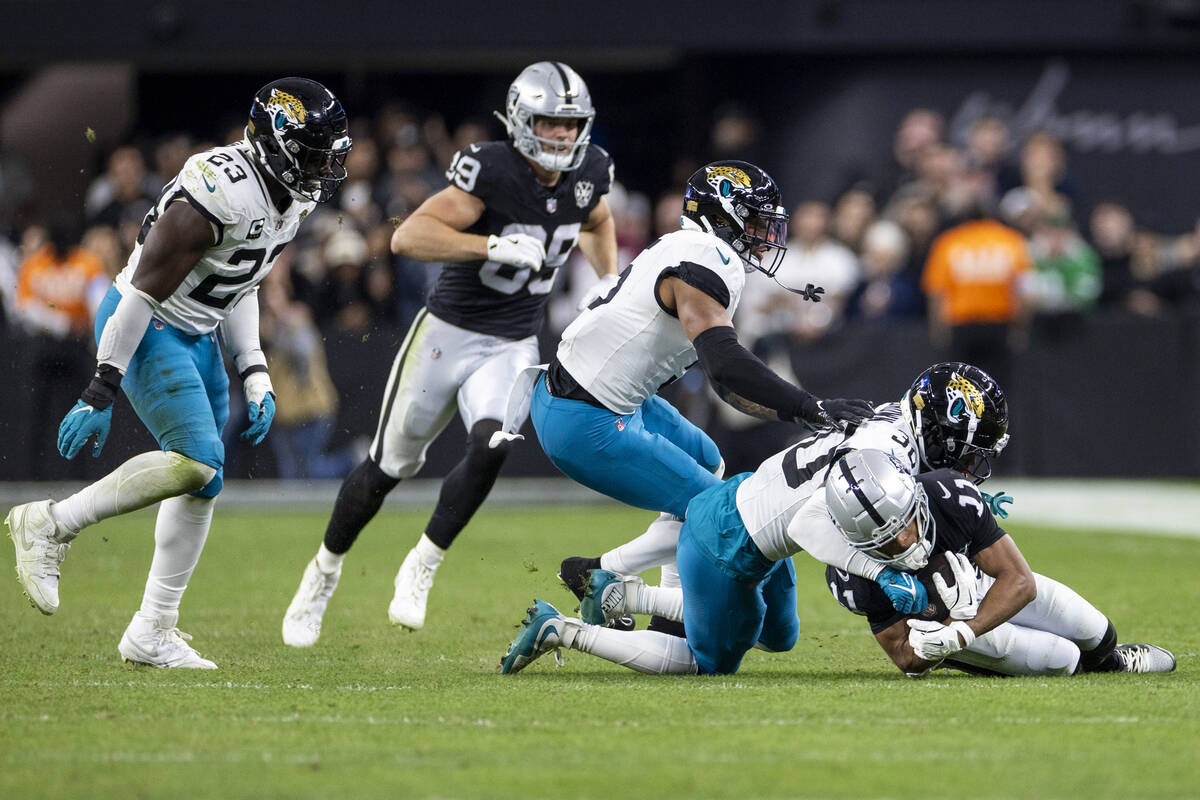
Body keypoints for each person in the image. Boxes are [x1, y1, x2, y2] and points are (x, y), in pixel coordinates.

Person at [5, 78, 352, 668]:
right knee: (196, 460)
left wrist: (255, 368)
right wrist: (102, 384)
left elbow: (243, 279)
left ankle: (152, 631)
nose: (322, 170)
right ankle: (49, 524)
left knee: (204, 479)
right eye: (313, 154)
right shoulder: (218, 192)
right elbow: (141, 291)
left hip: (197, 331)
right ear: (276, 144)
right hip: (147, 322)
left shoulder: (290, 197)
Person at [281, 61, 620, 646]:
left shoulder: (592, 170)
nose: (562, 136)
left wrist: (610, 277)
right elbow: (406, 237)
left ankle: (424, 563)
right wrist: (488, 243)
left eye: (570, 124)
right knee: (387, 468)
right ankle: (324, 571)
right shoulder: (492, 169)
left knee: (492, 446)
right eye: (548, 122)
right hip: (448, 334)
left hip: (512, 341)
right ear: (520, 121)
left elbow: (596, 218)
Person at [526, 160, 875, 634]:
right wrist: (807, 407)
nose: (762, 233)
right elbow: (726, 369)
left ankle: (666, 600)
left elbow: (726, 379)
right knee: (718, 512)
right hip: (585, 417)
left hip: (597, 396)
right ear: (722, 215)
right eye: (752, 220)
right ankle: (599, 571)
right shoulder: (705, 260)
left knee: (709, 462)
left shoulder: (688, 246)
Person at [498, 363, 1011, 675]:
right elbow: (810, 521)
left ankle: (623, 595)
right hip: (730, 542)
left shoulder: (892, 421)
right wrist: (881, 573)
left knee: (778, 635)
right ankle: (561, 630)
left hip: (751, 507)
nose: (972, 464)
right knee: (703, 664)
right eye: (973, 446)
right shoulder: (886, 453)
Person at [822, 449, 1176, 677]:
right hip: (936, 626)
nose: (903, 540)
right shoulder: (849, 572)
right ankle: (1085, 670)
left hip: (982, 585)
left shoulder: (948, 495)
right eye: (884, 540)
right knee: (1062, 660)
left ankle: (1111, 662)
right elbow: (902, 654)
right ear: (855, 542)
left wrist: (967, 626)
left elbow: (1019, 580)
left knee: (1097, 632)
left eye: (905, 523)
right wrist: (946, 639)